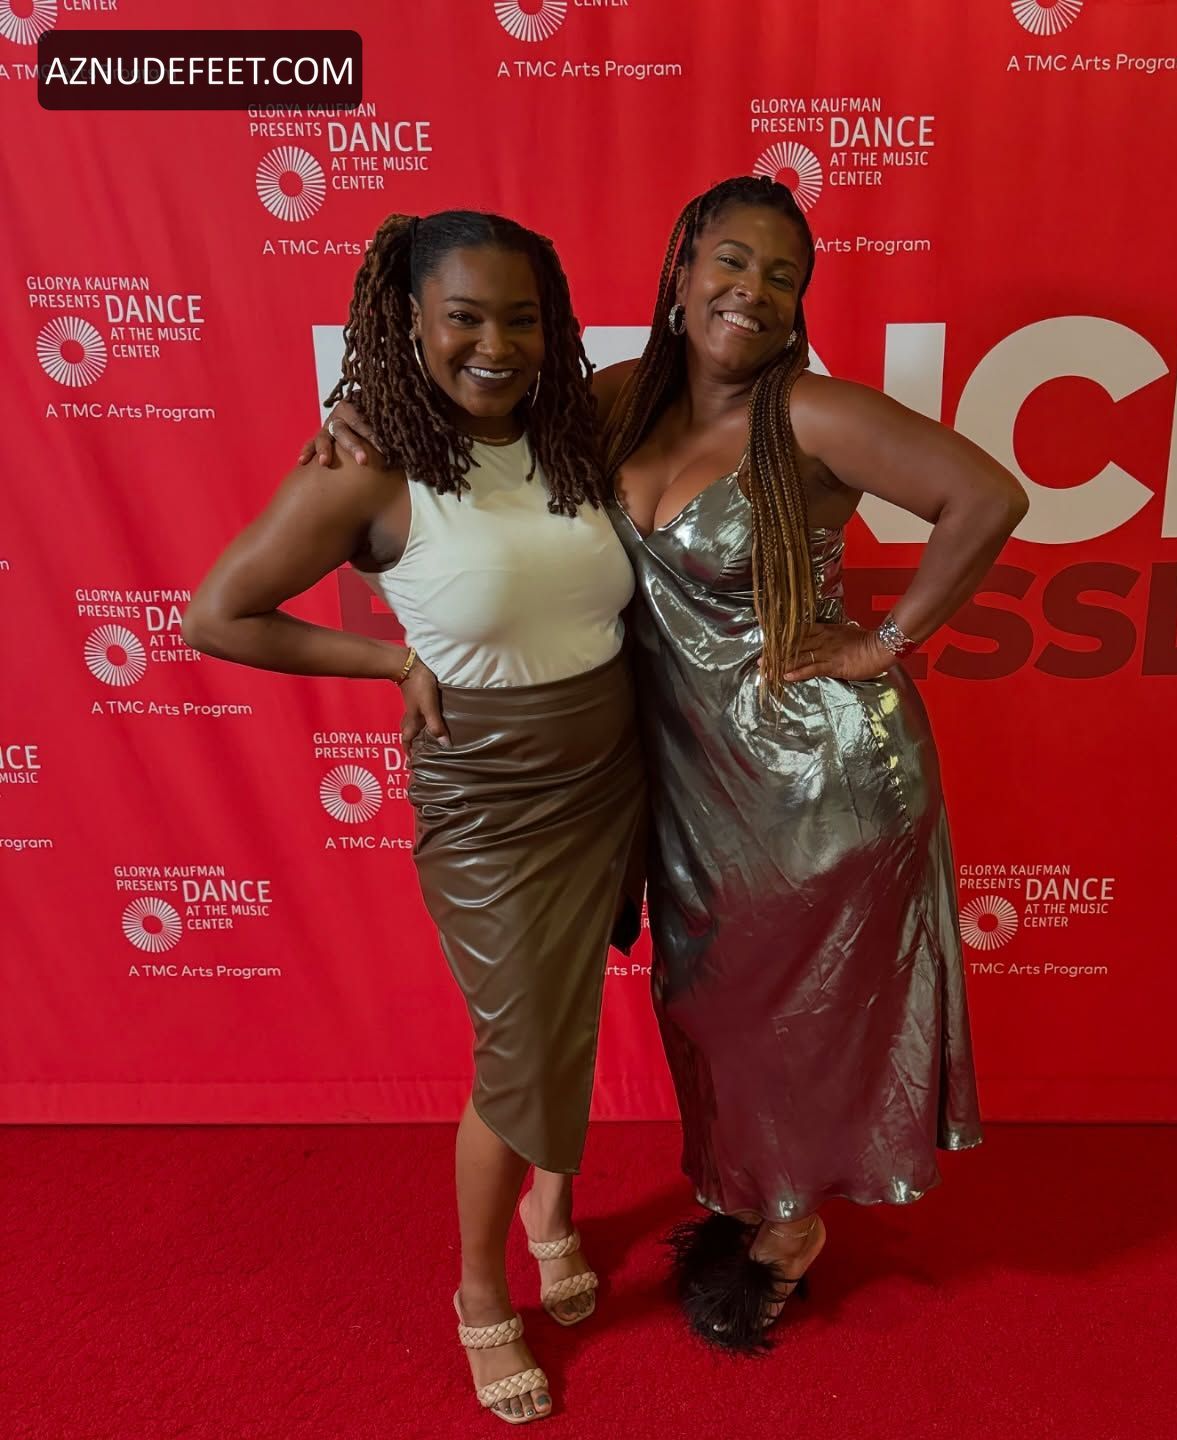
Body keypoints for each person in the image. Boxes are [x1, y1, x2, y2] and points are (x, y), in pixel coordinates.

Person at [314, 176, 1028, 1353]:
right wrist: (354, 417)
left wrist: (884, 643)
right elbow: (466, 412)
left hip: (819, 780)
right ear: (682, 270)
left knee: (797, 1017)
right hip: (686, 774)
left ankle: (786, 1231)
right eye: (732, 261)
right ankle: (756, 1193)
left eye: (783, 276)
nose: (753, 291)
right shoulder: (612, 401)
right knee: (712, 1004)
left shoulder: (811, 414)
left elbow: (987, 496)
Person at [185, 210, 644, 1423]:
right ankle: (480, 1293)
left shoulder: (578, 428)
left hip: (611, 772)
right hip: (488, 797)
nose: (496, 345)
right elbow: (217, 614)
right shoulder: (367, 465)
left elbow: (708, 371)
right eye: (465, 319)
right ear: (410, 322)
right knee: (517, 1046)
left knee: (571, 1009)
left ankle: (553, 1205)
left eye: (522, 319)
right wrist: (389, 663)